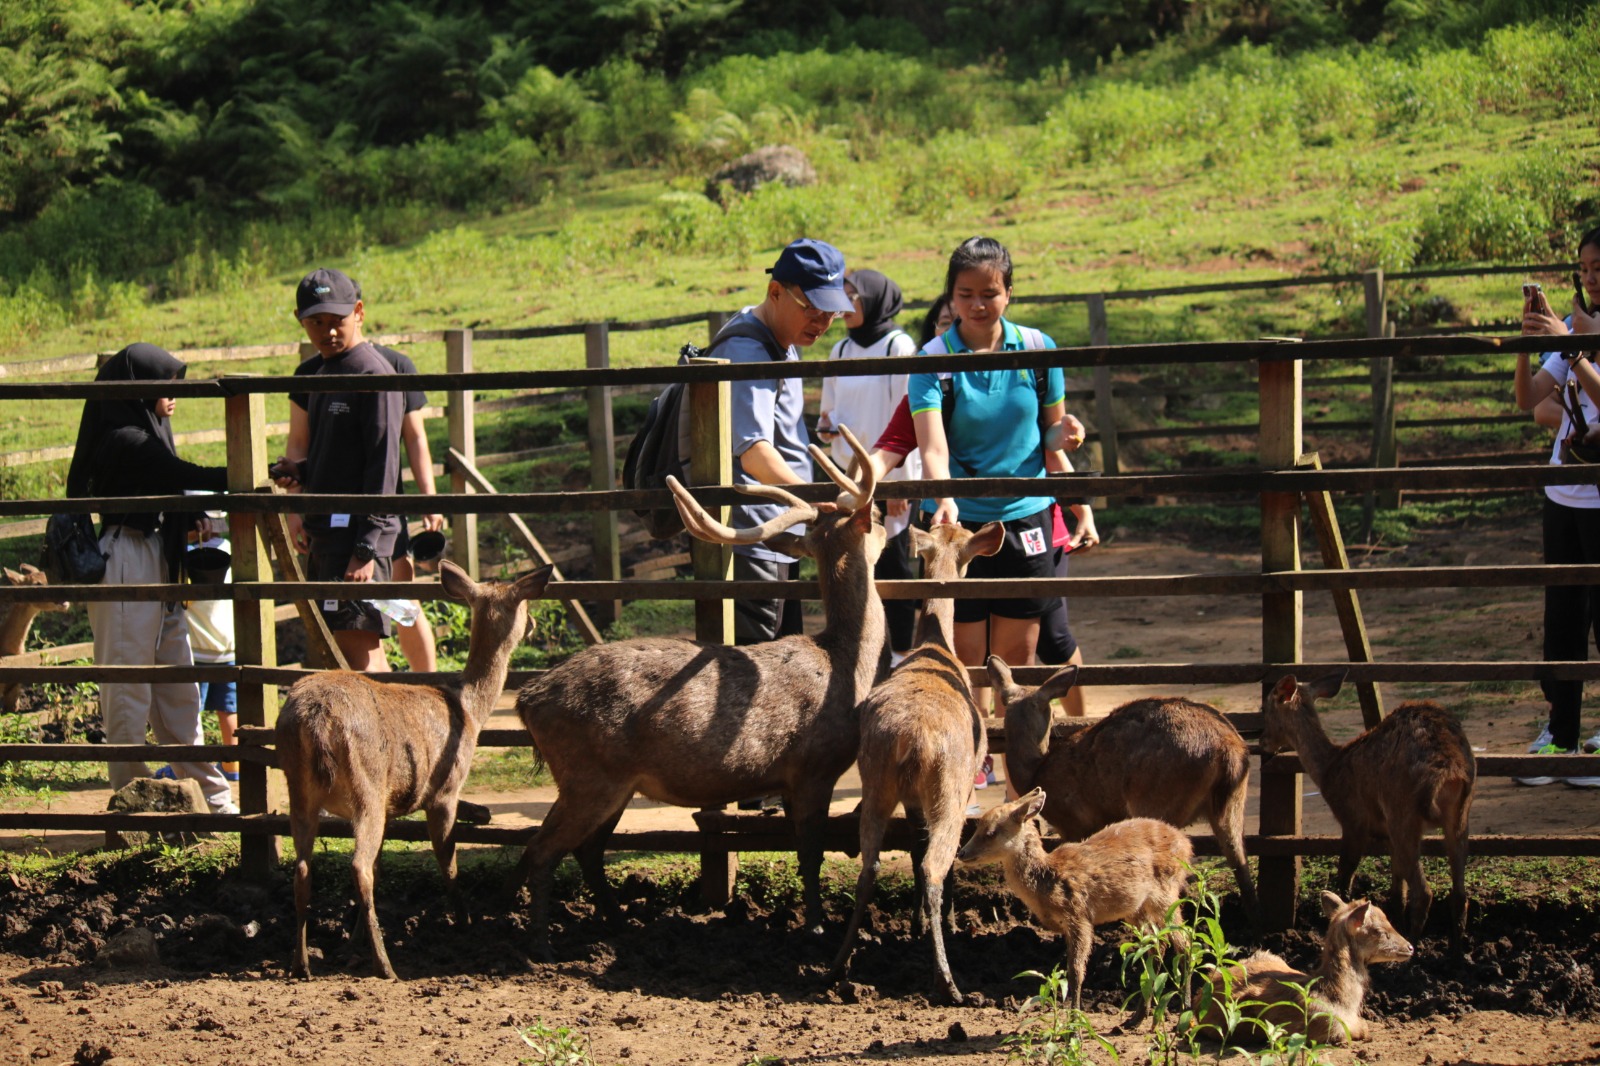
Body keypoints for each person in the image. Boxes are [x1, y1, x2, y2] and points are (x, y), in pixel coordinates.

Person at [909, 236, 1090, 788]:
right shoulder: (933, 362)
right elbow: (932, 445)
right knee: (961, 653)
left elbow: (1050, 435)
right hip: (959, 524)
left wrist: (1070, 436)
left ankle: (1021, 788)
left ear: (1009, 293)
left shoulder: (1038, 350)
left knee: (1019, 654)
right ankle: (963, 776)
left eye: (989, 293)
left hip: (1027, 514)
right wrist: (944, 498)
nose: (977, 304)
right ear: (952, 296)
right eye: (965, 294)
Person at [65, 344, 237, 815]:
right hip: (126, 559)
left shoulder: (149, 432)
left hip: (157, 555)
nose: (174, 395)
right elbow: (181, 474)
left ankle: (214, 801)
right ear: (139, 390)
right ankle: (132, 803)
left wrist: (194, 511)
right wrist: (249, 472)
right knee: (127, 689)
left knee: (178, 685)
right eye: (164, 386)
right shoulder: (127, 438)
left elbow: (169, 484)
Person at [282, 270, 444, 672]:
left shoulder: (374, 375)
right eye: (316, 322)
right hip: (332, 533)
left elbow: (383, 464)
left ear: (358, 313)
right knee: (348, 649)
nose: (327, 332)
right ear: (300, 320)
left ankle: (409, 723)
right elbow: (338, 456)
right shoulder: (322, 372)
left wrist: (366, 547)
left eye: (336, 320)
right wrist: (299, 473)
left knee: (361, 654)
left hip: (357, 538)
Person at [721, 238, 854, 645]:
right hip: (756, 537)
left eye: (831, 310)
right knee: (759, 667)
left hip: (779, 529)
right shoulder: (749, 351)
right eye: (811, 307)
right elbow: (754, 452)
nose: (822, 321)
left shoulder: (781, 340)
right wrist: (812, 500)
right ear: (775, 292)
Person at [1513, 226, 1600, 786]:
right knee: (1562, 618)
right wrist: (1529, 342)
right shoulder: (1572, 329)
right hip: (1562, 491)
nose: (1591, 277)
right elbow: (1529, 399)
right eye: (1585, 268)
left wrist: (1574, 348)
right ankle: (1562, 731)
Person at [817, 269, 919, 659]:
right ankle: (862, 652)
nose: (844, 307)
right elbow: (830, 409)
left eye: (852, 298)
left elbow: (907, 418)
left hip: (888, 478)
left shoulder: (898, 347)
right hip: (848, 479)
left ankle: (899, 656)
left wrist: (898, 487)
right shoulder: (840, 351)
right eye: (841, 298)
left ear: (874, 299)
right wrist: (827, 428)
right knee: (854, 565)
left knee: (894, 567)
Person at [185, 531, 238, 782]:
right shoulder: (230, 549)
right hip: (228, 647)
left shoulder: (187, 556)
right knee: (229, 709)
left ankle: (196, 770)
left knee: (190, 711)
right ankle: (232, 766)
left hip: (197, 650)